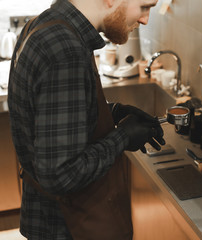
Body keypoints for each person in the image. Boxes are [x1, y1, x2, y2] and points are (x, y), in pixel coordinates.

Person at [7, 0, 162, 239]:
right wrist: (123, 137)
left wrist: (113, 112)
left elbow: (49, 118)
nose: (145, 20)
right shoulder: (65, 49)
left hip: (47, 218)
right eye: (144, 6)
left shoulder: (43, 25)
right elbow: (61, 174)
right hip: (67, 225)